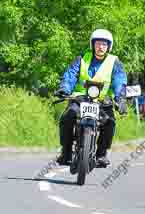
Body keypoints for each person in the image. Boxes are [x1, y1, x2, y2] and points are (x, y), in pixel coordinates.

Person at [54, 29, 128, 168]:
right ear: (93, 44)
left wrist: (120, 98)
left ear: (108, 46)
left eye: (104, 44)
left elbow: (119, 80)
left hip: (102, 101)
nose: (101, 47)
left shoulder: (114, 62)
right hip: (80, 98)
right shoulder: (82, 58)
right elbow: (70, 74)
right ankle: (66, 152)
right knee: (66, 118)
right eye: (98, 43)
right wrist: (64, 88)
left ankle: (101, 154)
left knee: (110, 122)